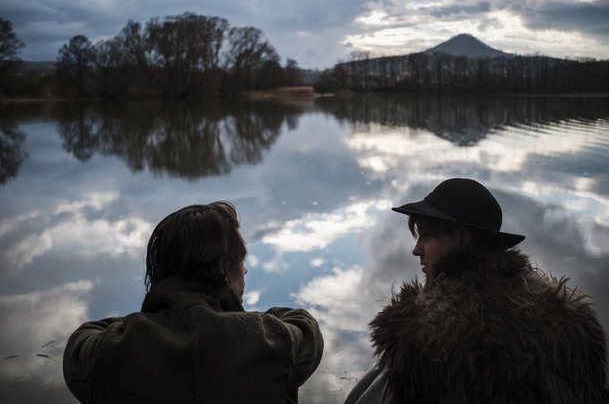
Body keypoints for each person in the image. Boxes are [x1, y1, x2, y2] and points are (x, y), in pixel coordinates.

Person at [345, 178, 608, 403]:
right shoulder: (572, 321)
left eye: (427, 235)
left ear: (461, 239)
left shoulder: (425, 339)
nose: (417, 249)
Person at [63, 202, 324, 403]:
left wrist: (161, 312)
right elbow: (304, 325)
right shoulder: (273, 340)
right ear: (224, 268)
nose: (245, 271)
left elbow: (83, 339)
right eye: (241, 261)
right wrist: (238, 318)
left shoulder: (104, 351)